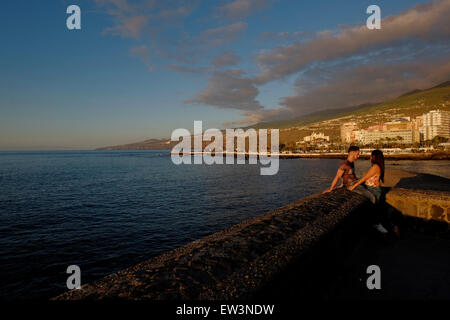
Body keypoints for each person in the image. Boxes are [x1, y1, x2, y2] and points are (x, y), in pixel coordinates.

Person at [348, 149, 389, 234]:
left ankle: (378, 226)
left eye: (371, 155)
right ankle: (376, 225)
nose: (370, 157)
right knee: (374, 209)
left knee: (374, 209)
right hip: (373, 188)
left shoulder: (375, 167)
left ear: (374, 157)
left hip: (373, 189)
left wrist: (354, 186)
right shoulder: (377, 166)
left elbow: (364, 178)